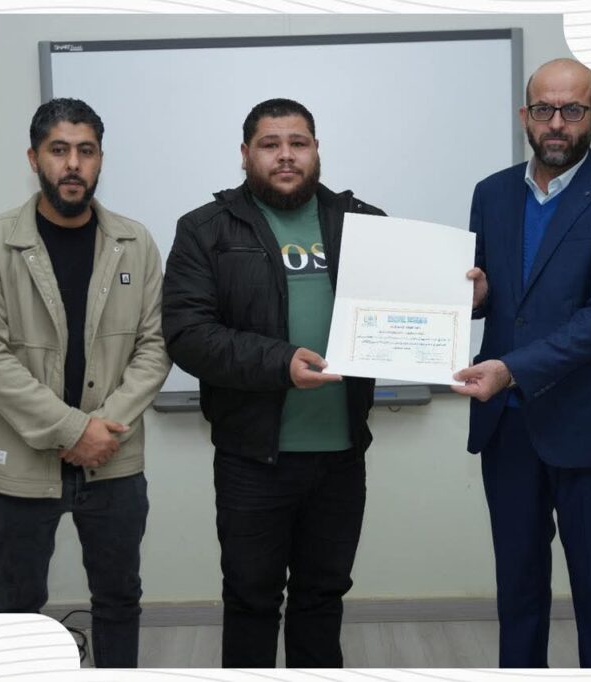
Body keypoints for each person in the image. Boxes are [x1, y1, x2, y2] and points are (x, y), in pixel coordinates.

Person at [452, 59, 591, 667]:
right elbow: (496, 296)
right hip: (508, 428)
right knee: (517, 590)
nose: (556, 123)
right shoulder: (491, 193)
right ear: (526, 115)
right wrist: (474, 298)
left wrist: (510, 369)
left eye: (573, 110)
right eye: (544, 109)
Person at [162, 98, 385, 668]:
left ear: (316, 150)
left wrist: (464, 298)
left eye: (298, 143)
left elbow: (406, 314)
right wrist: (279, 362)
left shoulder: (365, 224)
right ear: (245, 154)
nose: (286, 155)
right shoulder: (204, 230)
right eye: (270, 144)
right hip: (253, 459)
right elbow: (188, 335)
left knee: (322, 598)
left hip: (340, 457)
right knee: (251, 600)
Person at [0, 98, 170, 668]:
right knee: (18, 603)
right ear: (34, 159)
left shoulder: (136, 242)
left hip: (113, 458)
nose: (73, 164)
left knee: (119, 599)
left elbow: (155, 347)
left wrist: (103, 430)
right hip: (23, 462)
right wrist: (74, 430)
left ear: (100, 160)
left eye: (86, 151)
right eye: (59, 150)